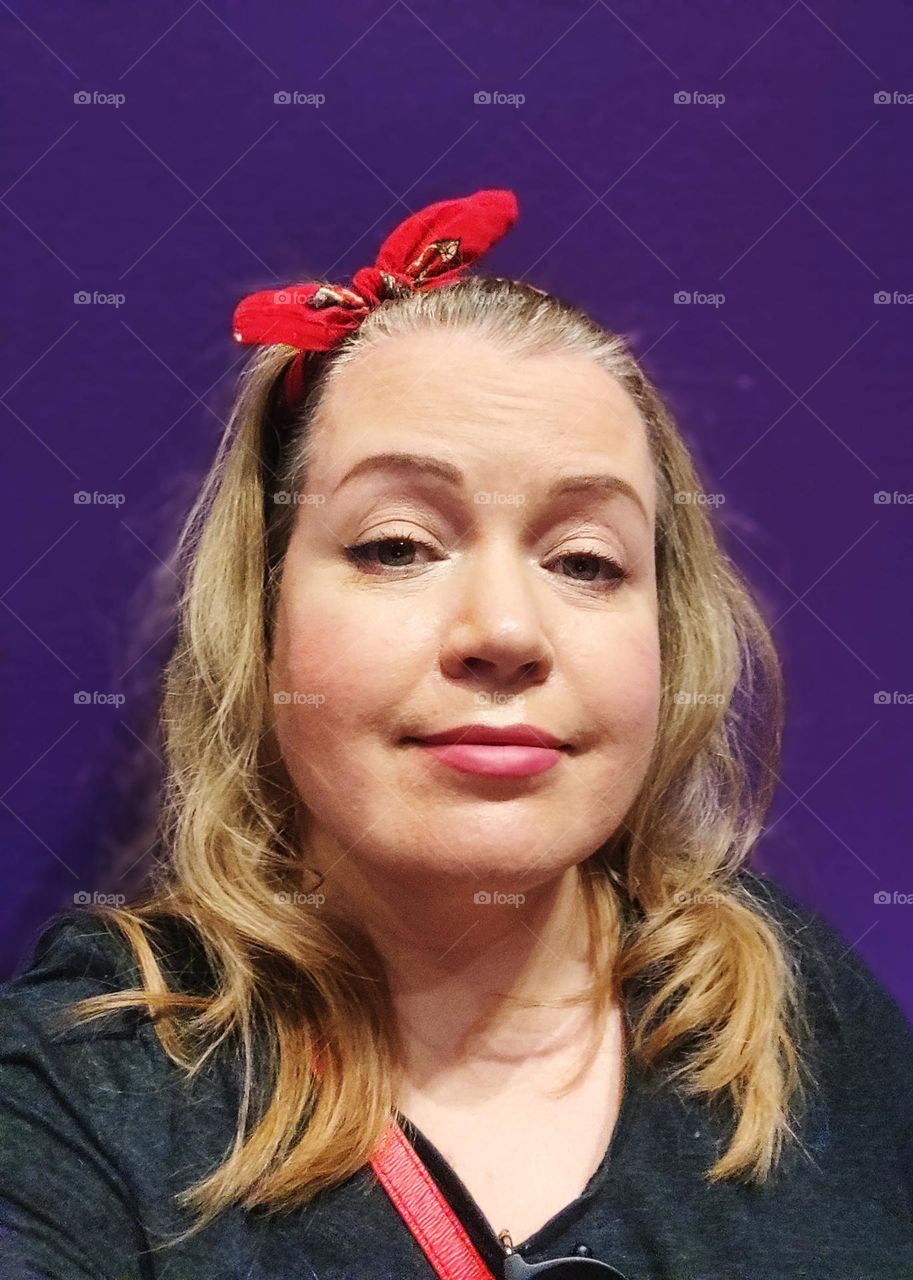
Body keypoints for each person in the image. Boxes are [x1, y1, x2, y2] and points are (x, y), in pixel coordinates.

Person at [1, 189, 911, 1280]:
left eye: (585, 560)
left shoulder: (783, 998)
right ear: (263, 614)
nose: (506, 631)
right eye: (396, 545)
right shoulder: (82, 1088)